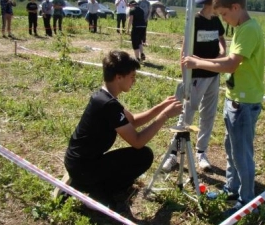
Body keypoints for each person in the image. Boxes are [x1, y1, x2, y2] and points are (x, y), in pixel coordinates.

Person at [64, 50, 183, 208]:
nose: (134, 81)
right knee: (143, 155)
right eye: (132, 77)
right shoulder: (109, 105)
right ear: (119, 77)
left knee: (142, 156)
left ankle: (91, 183)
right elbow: (137, 141)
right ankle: (97, 189)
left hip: (80, 162)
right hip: (83, 168)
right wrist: (165, 115)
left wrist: (161, 106)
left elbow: (132, 121)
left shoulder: (104, 96)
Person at [182, 0, 265, 217]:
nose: (224, 20)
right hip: (235, 98)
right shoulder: (241, 28)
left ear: (236, 7)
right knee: (231, 148)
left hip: (244, 103)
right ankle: (231, 188)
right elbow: (228, 60)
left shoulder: (248, 30)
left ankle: (247, 200)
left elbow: (230, 64)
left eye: (225, 14)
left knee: (242, 154)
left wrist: (198, 62)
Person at [162, 0, 226, 172]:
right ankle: (173, 154)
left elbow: (221, 38)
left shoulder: (215, 20)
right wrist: (186, 79)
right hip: (196, 76)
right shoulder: (195, 21)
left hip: (214, 76)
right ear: (209, 3)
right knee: (187, 113)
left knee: (208, 114)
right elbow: (184, 51)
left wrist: (222, 50)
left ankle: (201, 153)